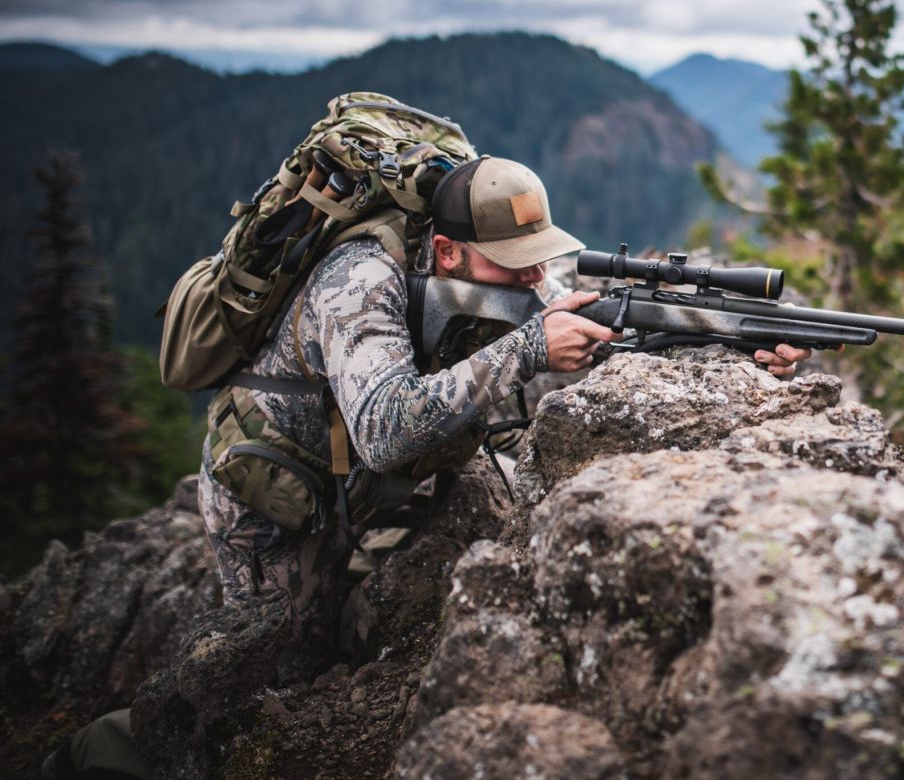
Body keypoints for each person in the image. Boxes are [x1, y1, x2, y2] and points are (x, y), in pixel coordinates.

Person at [197, 150, 809, 678]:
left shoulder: (511, 272)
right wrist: (529, 347)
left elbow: (599, 342)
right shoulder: (357, 279)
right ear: (446, 252)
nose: (535, 275)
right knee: (288, 673)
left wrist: (731, 348)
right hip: (278, 497)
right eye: (515, 261)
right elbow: (384, 431)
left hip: (379, 477)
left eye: (539, 255)